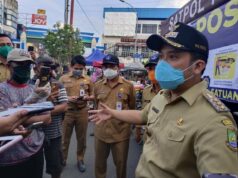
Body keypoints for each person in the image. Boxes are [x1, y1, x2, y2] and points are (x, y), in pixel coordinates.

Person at [89, 22, 238, 178]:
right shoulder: (163, 96)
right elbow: (142, 116)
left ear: (198, 66)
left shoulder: (214, 120)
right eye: (161, 56)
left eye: (172, 56)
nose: (161, 65)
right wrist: (111, 112)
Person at [0, 48, 51, 178]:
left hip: (35, 151)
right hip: (10, 157)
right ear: (8, 65)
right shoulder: (2, 90)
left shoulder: (35, 88)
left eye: (28, 64)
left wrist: (15, 115)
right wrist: (30, 110)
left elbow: (47, 118)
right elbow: (6, 125)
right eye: (20, 64)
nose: (24, 67)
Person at [93, 54, 135, 178]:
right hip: (101, 132)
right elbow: (96, 105)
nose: (108, 69)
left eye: (111, 66)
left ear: (118, 67)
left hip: (121, 133)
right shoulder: (98, 85)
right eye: (105, 66)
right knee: (99, 165)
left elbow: (132, 108)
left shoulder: (128, 86)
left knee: (121, 165)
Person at [32, 55, 68, 178]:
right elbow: (24, 107)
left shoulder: (57, 84)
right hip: (32, 133)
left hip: (53, 134)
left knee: (55, 167)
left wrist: (41, 111)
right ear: (35, 68)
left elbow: (64, 106)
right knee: (34, 167)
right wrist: (44, 105)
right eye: (43, 66)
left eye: (49, 66)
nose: (46, 69)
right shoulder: (29, 84)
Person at [59, 55, 94, 172]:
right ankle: (63, 159)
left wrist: (87, 98)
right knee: (65, 138)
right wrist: (68, 98)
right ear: (71, 67)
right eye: (76, 67)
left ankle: (80, 159)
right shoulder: (63, 79)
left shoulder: (88, 80)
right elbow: (57, 95)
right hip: (67, 112)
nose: (78, 70)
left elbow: (93, 95)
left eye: (81, 68)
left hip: (82, 112)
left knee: (82, 138)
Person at [135, 53, 161, 144]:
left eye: (156, 68)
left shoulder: (172, 92)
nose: (152, 71)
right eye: (150, 69)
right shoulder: (145, 91)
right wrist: (138, 130)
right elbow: (141, 111)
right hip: (147, 137)